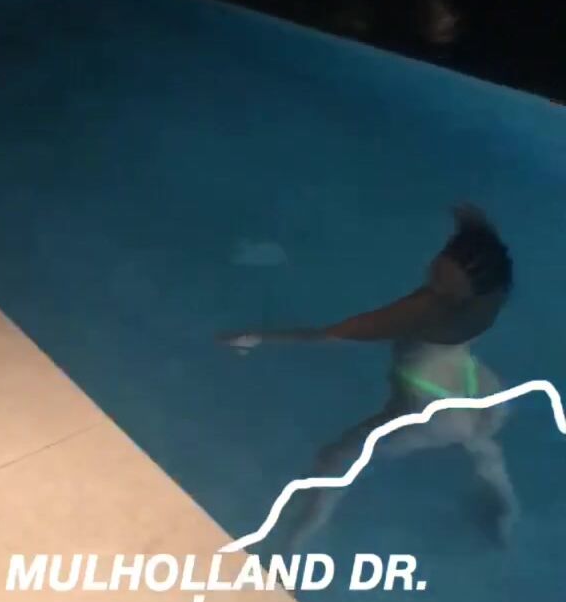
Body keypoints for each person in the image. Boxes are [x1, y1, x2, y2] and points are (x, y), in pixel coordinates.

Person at [218, 205, 517, 544]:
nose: (434, 267)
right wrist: (468, 220)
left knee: (334, 461)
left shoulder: (423, 311)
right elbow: (488, 248)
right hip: (479, 386)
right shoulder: (489, 298)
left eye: (441, 272)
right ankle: (505, 505)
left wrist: (256, 337)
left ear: (455, 287)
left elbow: (333, 335)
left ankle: (293, 544)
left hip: (433, 410)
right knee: (478, 441)